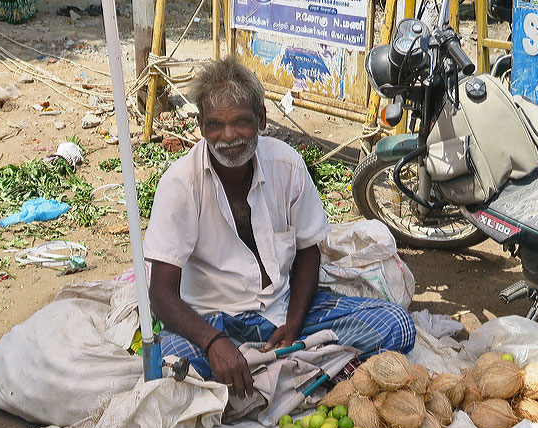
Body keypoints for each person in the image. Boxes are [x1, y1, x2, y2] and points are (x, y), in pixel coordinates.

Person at [143, 57, 415, 398]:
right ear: (200, 125)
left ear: (261, 118)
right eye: (215, 125)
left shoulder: (286, 164)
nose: (227, 137)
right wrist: (213, 343)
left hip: (282, 313)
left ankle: (280, 367)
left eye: (240, 122)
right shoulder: (180, 184)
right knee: (166, 365)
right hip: (214, 322)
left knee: (397, 326)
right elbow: (161, 293)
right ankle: (307, 368)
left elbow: (307, 253)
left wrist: (294, 324)